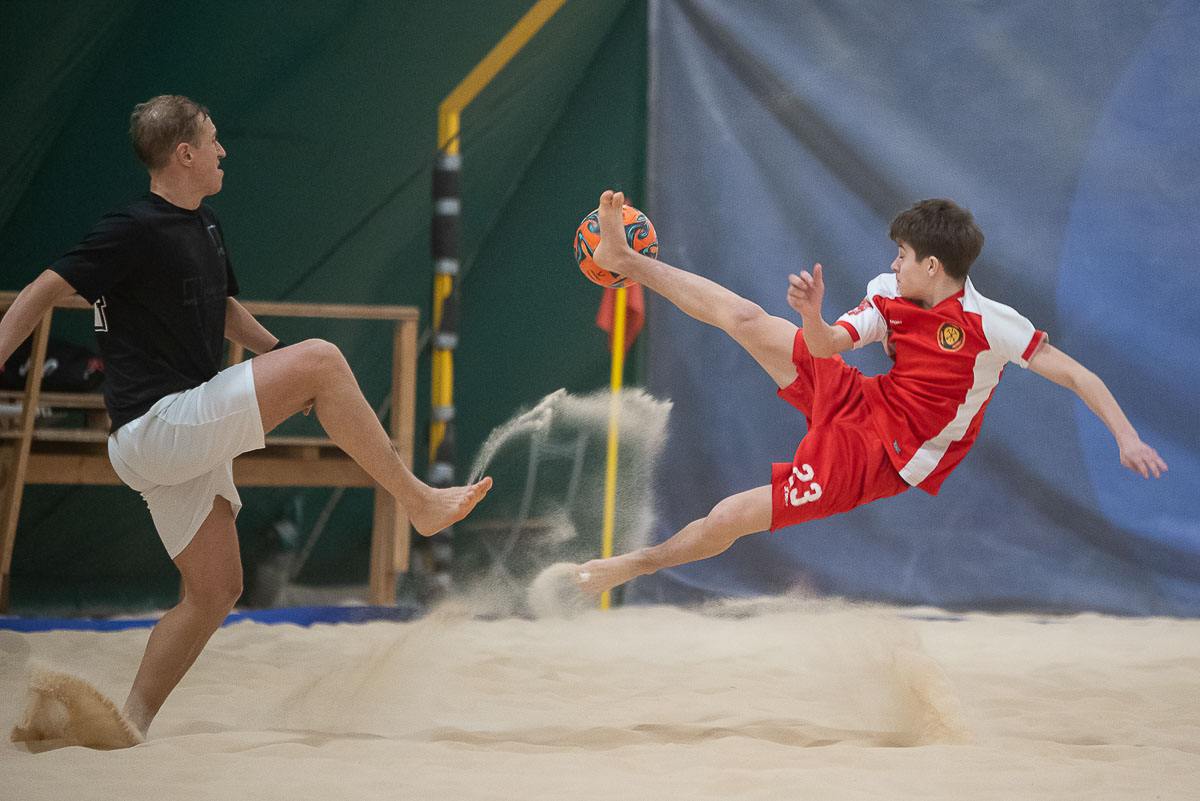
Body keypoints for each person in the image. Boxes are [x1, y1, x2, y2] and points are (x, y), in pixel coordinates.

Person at [0, 95, 492, 743]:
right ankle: (420, 501)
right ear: (184, 154)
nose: (223, 150)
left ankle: (125, 724)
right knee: (324, 359)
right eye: (213, 140)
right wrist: (305, 371)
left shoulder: (204, 224)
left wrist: (279, 357)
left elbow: (224, 311)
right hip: (159, 424)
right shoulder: (131, 228)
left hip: (177, 435)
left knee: (215, 592)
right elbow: (42, 289)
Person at [573, 190, 1167, 597]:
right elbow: (829, 344)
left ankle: (636, 564)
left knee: (731, 515)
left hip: (884, 458)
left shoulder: (992, 324)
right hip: (863, 399)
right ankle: (626, 260)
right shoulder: (888, 292)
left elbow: (1079, 376)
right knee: (748, 319)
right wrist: (811, 315)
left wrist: (1127, 437)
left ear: (932, 266)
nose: (893, 262)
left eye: (903, 255)